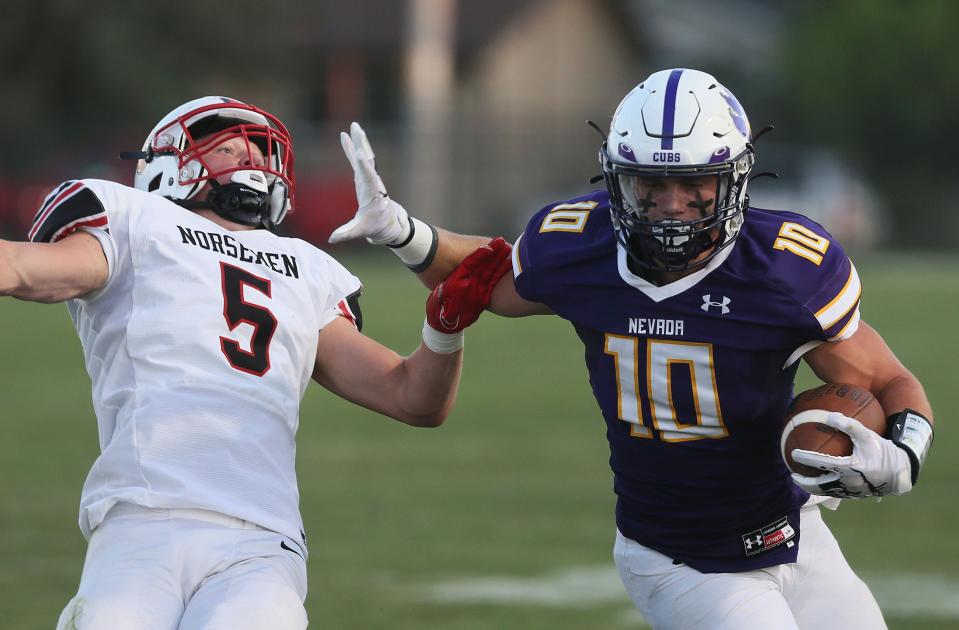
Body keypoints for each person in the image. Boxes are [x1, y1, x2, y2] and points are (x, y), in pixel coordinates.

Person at [330, 68, 936, 629]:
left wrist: (904, 454)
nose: (671, 205)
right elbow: (482, 281)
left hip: (789, 528)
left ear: (734, 176)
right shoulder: (581, 246)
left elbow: (888, 380)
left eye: (694, 183)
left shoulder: (783, 269)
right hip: (679, 556)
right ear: (618, 176)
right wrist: (400, 232)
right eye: (651, 183)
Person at [0, 96, 511, 630]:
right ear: (166, 165)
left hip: (260, 541)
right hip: (141, 518)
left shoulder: (305, 266)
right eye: (228, 142)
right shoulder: (137, 220)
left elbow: (414, 398)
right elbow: (24, 268)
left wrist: (444, 327)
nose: (251, 153)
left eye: (258, 145)